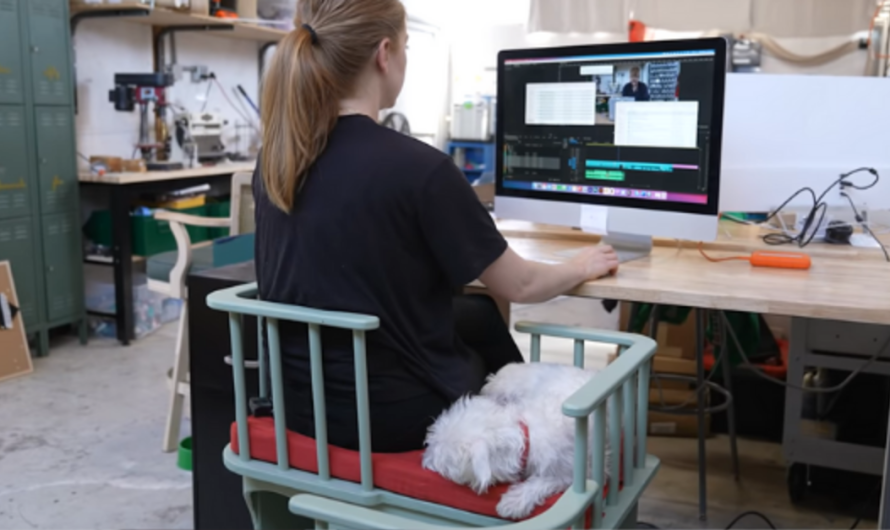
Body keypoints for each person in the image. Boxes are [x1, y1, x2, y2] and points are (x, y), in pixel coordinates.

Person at [254, 0, 620, 453]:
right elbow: (521, 285)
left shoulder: (278, 161)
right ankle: (517, 437)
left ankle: (513, 423)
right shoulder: (420, 169)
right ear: (384, 54)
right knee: (483, 323)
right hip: (392, 419)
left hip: (301, 406)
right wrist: (583, 263)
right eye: (406, 46)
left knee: (479, 314)